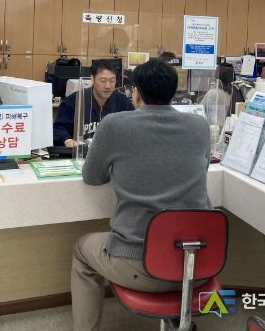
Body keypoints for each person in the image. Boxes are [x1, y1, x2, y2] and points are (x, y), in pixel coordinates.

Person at [71, 58, 211, 331]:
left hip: (138, 264)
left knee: (81, 250)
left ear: (136, 93)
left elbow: (92, 176)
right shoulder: (199, 126)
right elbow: (201, 169)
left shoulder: (114, 125)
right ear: (173, 92)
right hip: (197, 264)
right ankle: (177, 318)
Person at [53, 59, 133, 146]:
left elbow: (133, 127)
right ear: (92, 79)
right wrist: (67, 140)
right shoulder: (74, 101)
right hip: (82, 151)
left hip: (113, 151)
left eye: (112, 81)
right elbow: (58, 129)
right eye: (103, 81)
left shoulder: (122, 102)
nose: (108, 86)